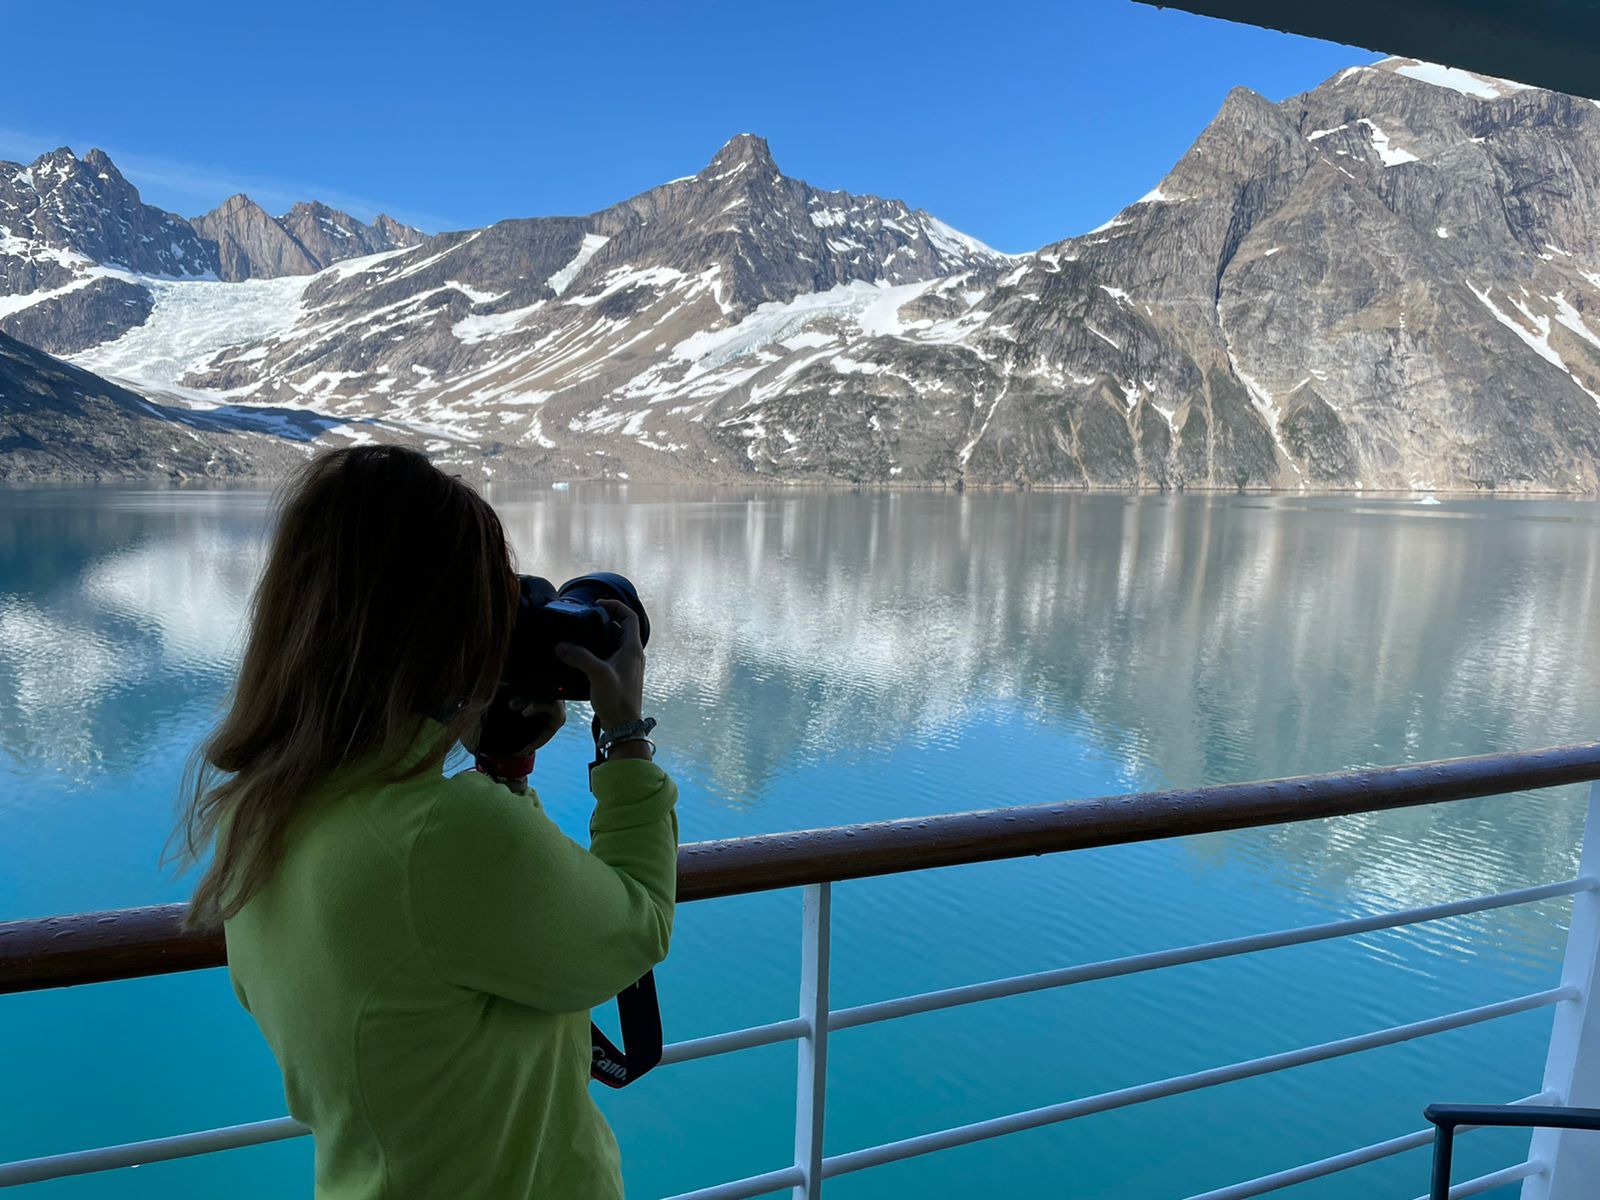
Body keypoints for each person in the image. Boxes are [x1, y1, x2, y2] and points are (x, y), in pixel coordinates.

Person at [172, 445, 678, 1199]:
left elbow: (448, 967)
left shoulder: (256, 817)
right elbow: (634, 929)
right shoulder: (437, 838)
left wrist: (502, 768)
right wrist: (625, 738)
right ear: (438, 630)